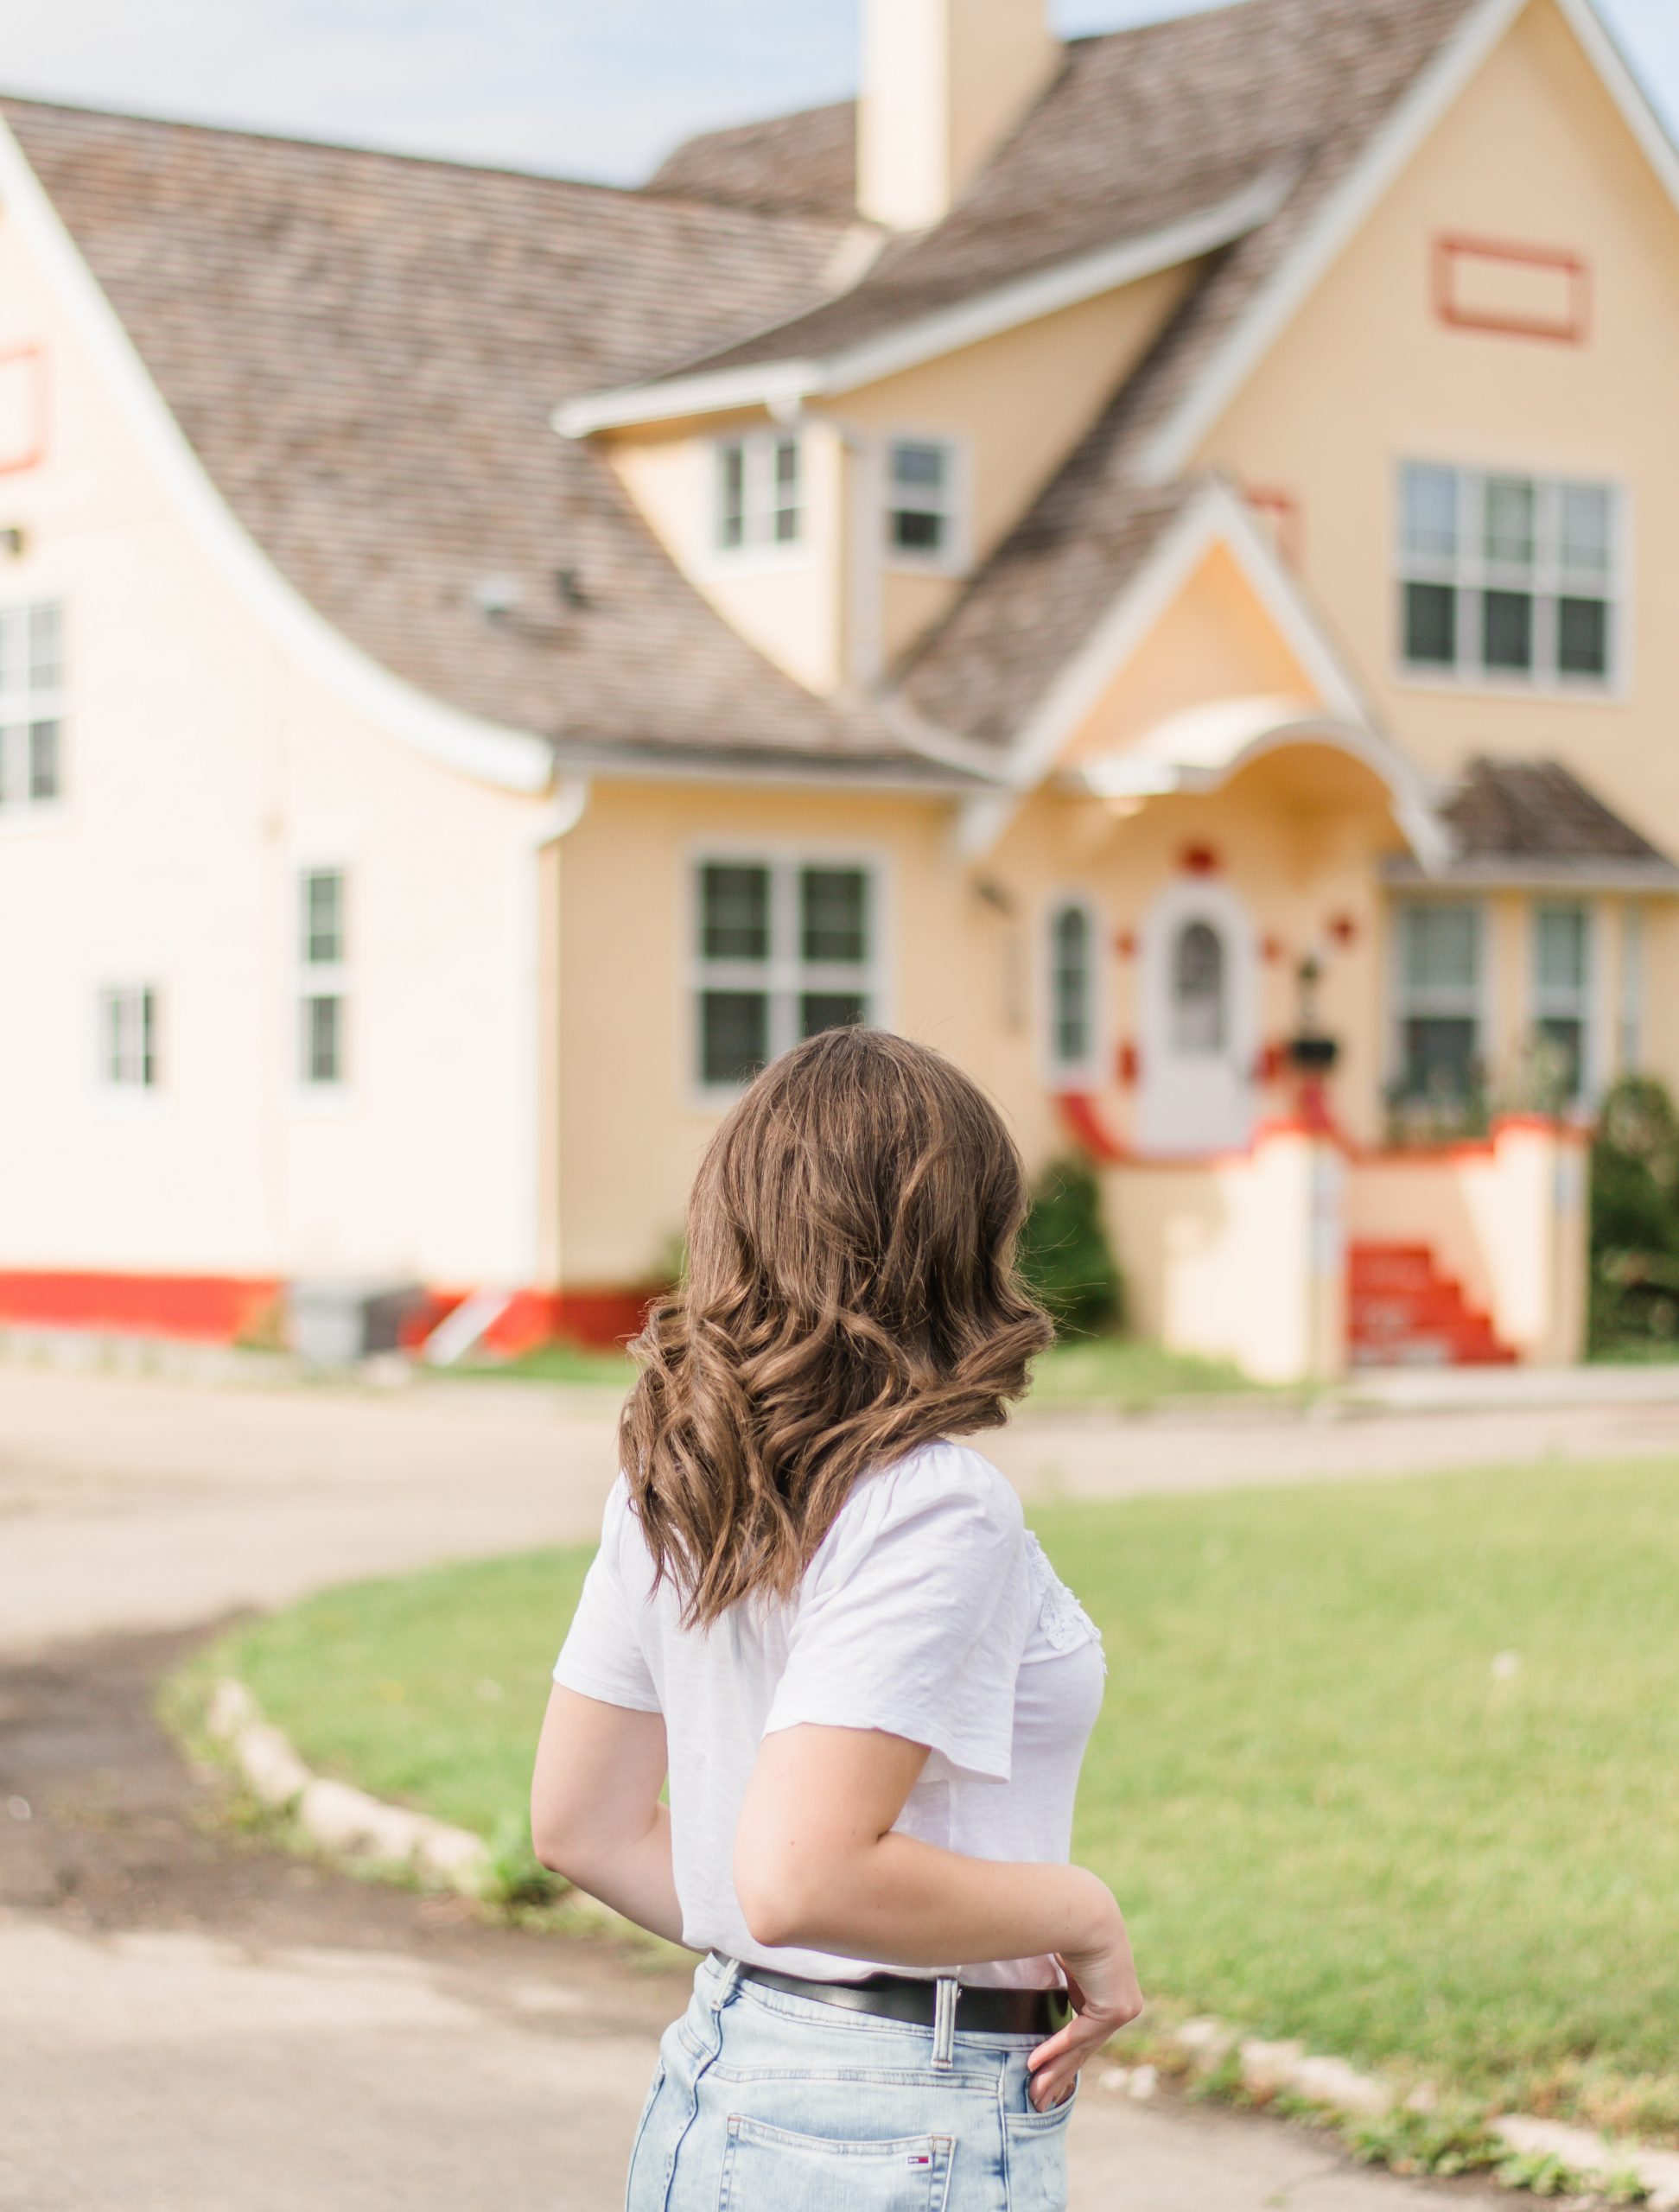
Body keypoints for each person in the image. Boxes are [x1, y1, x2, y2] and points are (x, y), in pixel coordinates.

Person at [531, 1028, 1142, 2210]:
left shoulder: (669, 1479)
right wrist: (1083, 1913)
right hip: (895, 2124)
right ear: (957, 1239)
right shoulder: (934, 1502)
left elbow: (582, 1826)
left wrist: (784, 1969)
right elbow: (802, 1875)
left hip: (725, 2083)